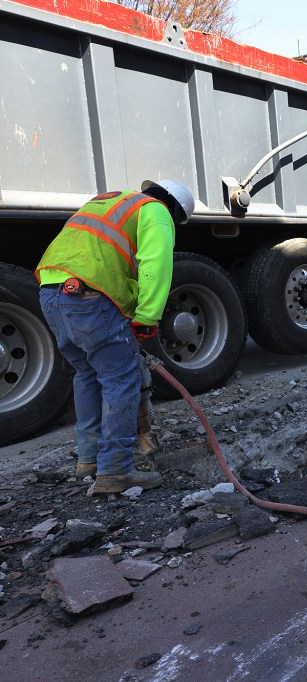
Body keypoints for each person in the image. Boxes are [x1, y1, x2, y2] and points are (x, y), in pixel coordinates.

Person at [36, 179, 194, 495]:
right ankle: (116, 470)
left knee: (87, 375)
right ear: (175, 210)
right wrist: (147, 317)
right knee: (121, 381)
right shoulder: (155, 210)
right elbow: (155, 264)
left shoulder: (109, 202)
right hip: (89, 297)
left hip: (51, 292)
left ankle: (89, 459)